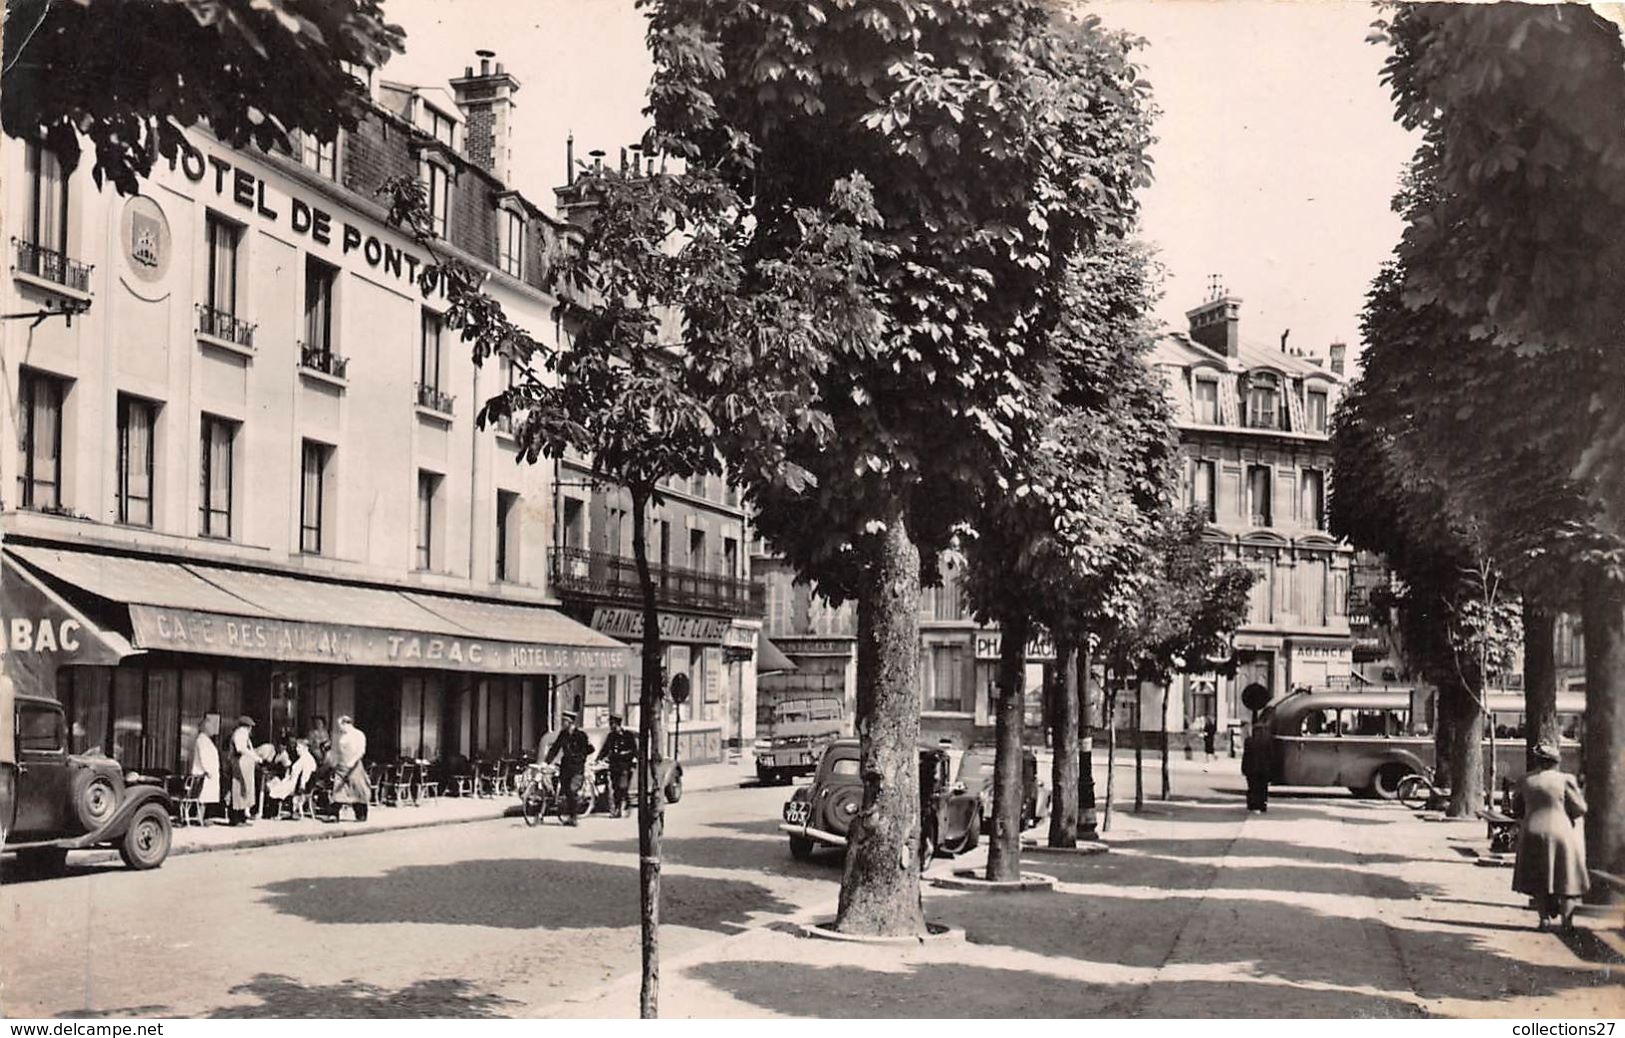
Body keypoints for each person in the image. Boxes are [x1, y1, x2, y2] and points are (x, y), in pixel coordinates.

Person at [1512, 743, 1589, 931]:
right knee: (1566, 877)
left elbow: (1517, 808)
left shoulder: (1525, 780)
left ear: (1538, 761)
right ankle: (1566, 922)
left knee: (1539, 878)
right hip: (1560, 831)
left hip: (1532, 831)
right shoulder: (1565, 780)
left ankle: (1544, 919)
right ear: (1556, 761)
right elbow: (1580, 808)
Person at [544, 711, 594, 825]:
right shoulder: (563, 734)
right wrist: (547, 762)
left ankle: (574, 817)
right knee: (567, 792)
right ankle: (571, 816)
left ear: (570, 722)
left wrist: (581, 757)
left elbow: (590, 749)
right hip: (565, 767)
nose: (562, 723)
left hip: (577, 768)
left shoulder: (581, 735)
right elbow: (555, 748)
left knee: (572, 790)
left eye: (564, 721)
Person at [595, 715, 639, 818]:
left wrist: (633, 762)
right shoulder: (611, 736)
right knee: (615, 788)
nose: (611, 726)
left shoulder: (628, 735)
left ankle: (621, 807)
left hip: (625, 766)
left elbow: (634, 750)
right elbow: (605, 749)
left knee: (622, 787)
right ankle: (621, 807)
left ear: (618, 724)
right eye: (610, 724)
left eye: (613, 724)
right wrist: (598, 759)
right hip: (614, 766)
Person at [329, 715, 371, 822]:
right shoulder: (341, 736)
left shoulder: (358, 734)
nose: (340, 728)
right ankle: (334, 814)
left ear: (346, 724)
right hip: (341, 766)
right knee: (338, 788)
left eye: (340, 726)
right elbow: (336, 751)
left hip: (354, 766)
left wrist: (352, 761)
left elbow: (361, 750)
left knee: (357, 789)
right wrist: (334, 762)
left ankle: (361, 813)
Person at [266, 738, 317, 817]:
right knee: (273, 782)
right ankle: (272, 811)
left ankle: (271, 812)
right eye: (297, 747)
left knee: (272, 786)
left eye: (299, 747)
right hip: (292, 781)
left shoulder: (306, 760)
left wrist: (301, 787)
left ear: (306, 748)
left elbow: (305, 776)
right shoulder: (303, 758)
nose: (297, 749)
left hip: (294, 785)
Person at [188, 714, 221, 821]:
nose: (213, 730)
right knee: (203, 797)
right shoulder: (201, 740)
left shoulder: (206, 740)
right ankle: (199, 818)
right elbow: (203, 757)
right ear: (206, 728)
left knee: (206, 797)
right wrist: (208, 770)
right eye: (211, 727)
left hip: (207, 773)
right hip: (203, 774)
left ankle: (202, 817)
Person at [227, 715, 258, 826]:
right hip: (238, 766)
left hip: (244, 768)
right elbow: (241, 748)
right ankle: (235, 819)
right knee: (238, 791)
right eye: (249, 727)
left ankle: (242, 817)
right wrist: (254, 757)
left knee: (244, 792)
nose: (250, 729)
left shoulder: (244, 735)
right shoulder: (240, 734)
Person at [1241, 723, 1272, 813]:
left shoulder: (1249, 741)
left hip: (1251, 769)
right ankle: (1262, 804)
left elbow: (1245, 756)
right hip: (1264, 768)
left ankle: (1252, 804)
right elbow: (1271, 756)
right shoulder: (1267, 742)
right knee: (1263, 787)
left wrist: (1243, 768)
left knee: (1252, 787)